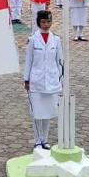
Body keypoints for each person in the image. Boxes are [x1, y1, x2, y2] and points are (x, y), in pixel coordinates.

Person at [24, 10, 62, 150]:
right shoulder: (33, 39)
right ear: (39, 22)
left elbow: (60, 62)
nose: (46, 25)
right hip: (36, 80)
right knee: (37, 112)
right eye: (44, 22)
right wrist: (26, 79)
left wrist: (60, 81)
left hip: (51, 81)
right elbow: (29, 60)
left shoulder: (56, 40)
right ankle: (37, 140)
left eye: (48, 21)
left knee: (48, 112)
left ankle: (45, 139)